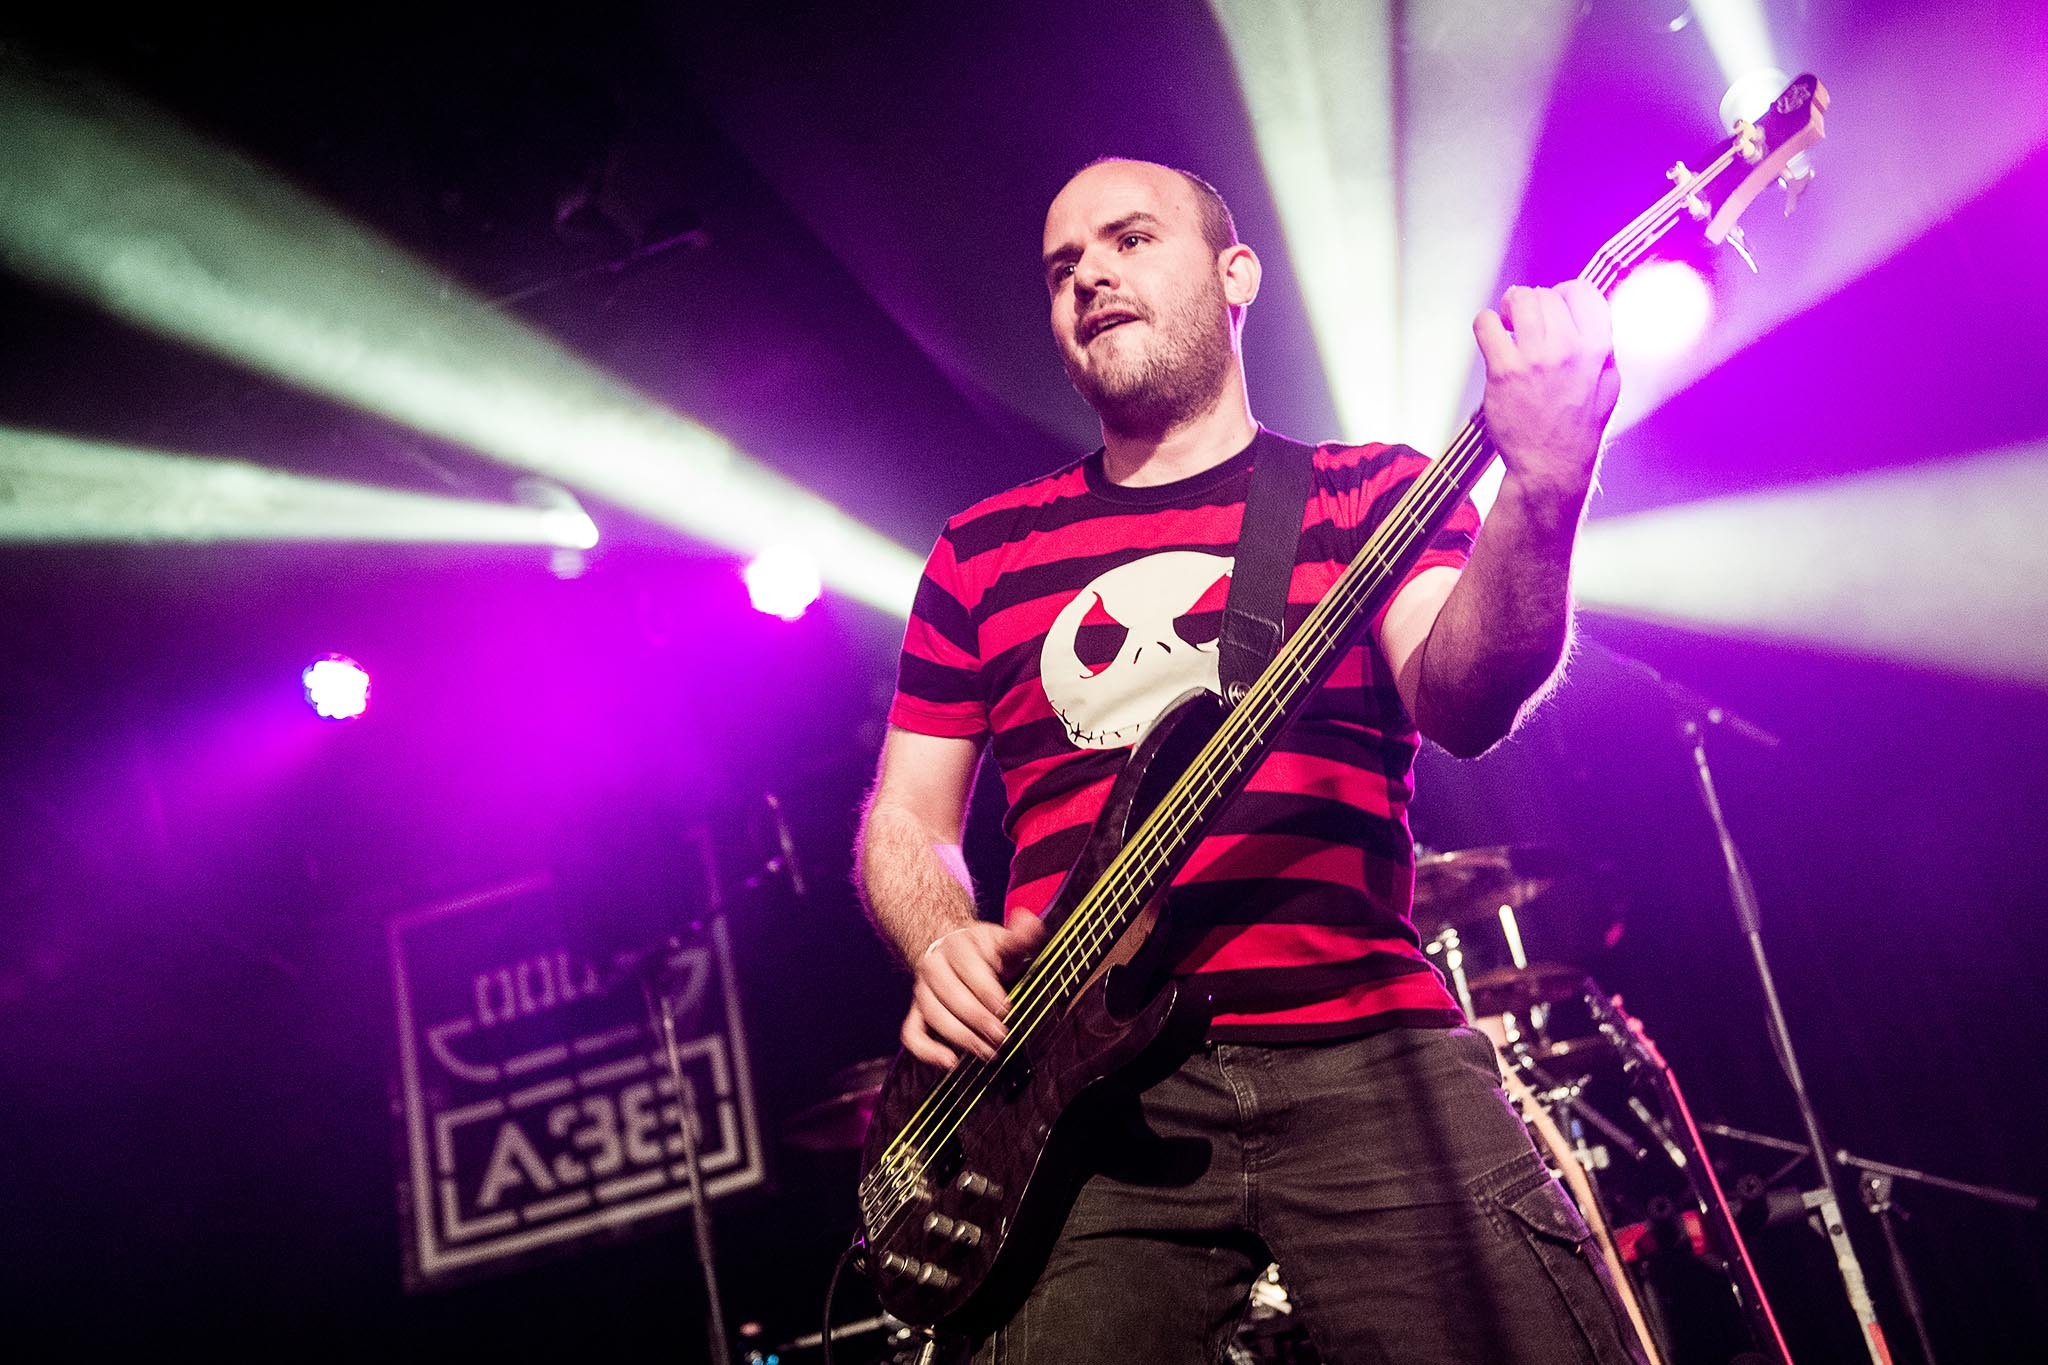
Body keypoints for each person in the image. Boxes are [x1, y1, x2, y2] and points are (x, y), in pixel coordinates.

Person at [856, 157, 1639, 1363]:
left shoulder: (1364, 494)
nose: (1089, 276)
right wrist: (937, 940)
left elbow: (1463, 699)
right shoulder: (981, 553)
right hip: (1072, 1112)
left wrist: (1543, 490)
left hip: (1361, 1043)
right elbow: (906, 820)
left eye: (1127, 240)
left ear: (1235, 275)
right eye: (1062, 267)